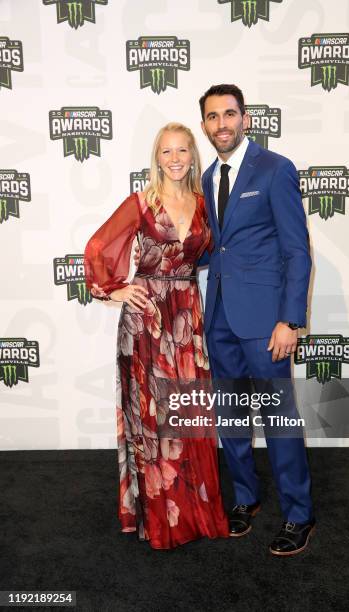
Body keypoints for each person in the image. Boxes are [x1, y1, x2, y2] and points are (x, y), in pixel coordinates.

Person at [84, 122, 229, 550]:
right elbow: (97, 247)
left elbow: (208, 254)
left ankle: (195, 510)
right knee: (153, 417)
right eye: (166, 152)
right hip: (146, 321)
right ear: (157, 158)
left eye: (182, 150)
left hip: (186, 315)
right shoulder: (141, 203)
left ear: (192, 155)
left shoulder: (205, 205)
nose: (175, 159)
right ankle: (160, 517)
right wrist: (118, 287)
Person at [199, 84, 315, 556]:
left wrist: (290, 319)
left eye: (230, 114)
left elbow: (296, 250)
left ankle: (298, 514)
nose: (222, 124)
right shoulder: (206, 177)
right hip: (220, 316)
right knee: (230, 417)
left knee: (279, 418)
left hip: (267, 321)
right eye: (212, 117)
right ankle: (246, 498)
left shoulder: (275, 169)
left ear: (245, 119)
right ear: (204, 124)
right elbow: (214, 247)